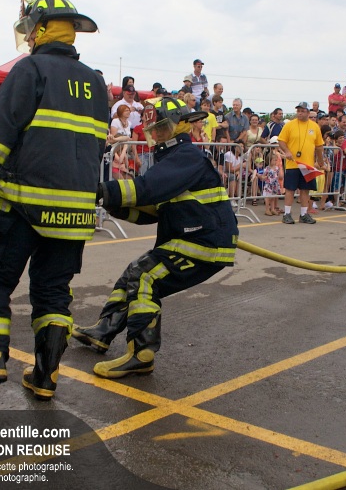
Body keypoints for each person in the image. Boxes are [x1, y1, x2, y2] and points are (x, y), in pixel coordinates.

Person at [0, 0, 107, 400]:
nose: (29, 38)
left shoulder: (29, 69)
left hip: (20, 204)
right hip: (75, 212)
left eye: (31, 30)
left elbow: (1, 133)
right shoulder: (95, 82)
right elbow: (95, 148)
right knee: (53, 292)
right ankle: (45, 377)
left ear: (42, 29)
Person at [71, 98, 238, 378]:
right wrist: (112, 203)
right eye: (153, 130)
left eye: (162, 128)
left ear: (179, 126)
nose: (157, 135)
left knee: (144, 277)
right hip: (192, 238)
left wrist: (100, 190)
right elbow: (151, 212)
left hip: (205, 242)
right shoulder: (174, 159)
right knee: (133, 273)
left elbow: (146, 189)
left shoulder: (186, 156)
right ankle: (103, 330)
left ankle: (141, 354)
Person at [277, 102, 325, 224]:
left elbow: (319, 146)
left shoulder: (314, 127)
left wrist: (320, 161)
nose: (300, 113)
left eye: (302, 111)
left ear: (308, 113)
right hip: (293, 163)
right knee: (290, 189)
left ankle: (304, 214)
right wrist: (287, 151)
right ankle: (287, 214)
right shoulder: (289, 125)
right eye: (298, 111)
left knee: (305, 189)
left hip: (307, 164)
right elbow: (281, 140)